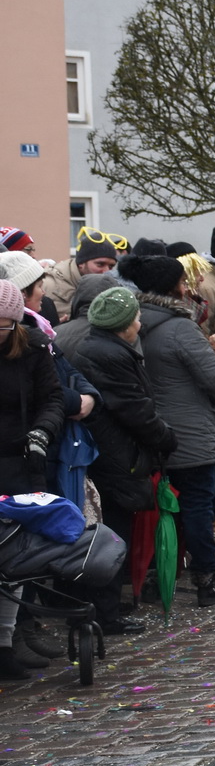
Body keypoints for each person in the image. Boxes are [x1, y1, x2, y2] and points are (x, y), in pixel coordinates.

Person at [112, 253, 215, 607]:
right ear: (173, 287)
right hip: (190, 434)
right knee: (197, 506)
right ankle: (208, 580)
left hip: (148, 431)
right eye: (184, 282)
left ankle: (157, 578)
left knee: (159, 509)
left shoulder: (131, 323)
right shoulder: (180, 326)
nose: (188, 287)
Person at [0, 281, 66, 680]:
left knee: (15, 560)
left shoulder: (34, 349)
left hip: (21, 462)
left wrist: (42, 431)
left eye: (3, 325)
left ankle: (7, 642)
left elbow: (53, 398)